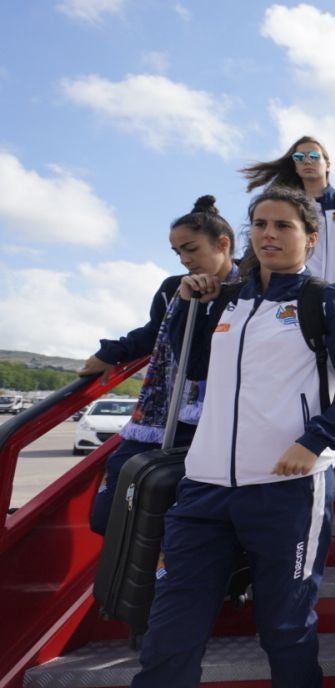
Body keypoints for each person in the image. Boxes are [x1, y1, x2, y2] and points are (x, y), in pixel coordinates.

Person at [115, 187, 335, 688]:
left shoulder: (326, 300)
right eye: (260, 224)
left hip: (288, 488)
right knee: (167, 639)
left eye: (283, 226)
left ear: (310, 239)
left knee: (284, 619)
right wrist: (189, 304)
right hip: (204, 489)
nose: (269, 234)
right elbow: (190, 372)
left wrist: (314, 439)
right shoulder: (226, 302)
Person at [79, 196, 236, 536]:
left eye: (191, 249)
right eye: (177, 252)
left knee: (185, 511)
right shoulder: (172, 288)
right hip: (162, 411)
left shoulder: (249, 290)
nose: (184, 259)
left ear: (223, 244)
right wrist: (113, 352)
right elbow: (153, 332)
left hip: (220, 419)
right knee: (109, 510)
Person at [242, 136, 335, 289]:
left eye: (314, 156)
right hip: (282, 293)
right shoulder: (282, 205)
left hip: (324, 294)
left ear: (328, 165)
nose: (307, 161)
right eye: (299, 157)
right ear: (295, 166)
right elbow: (256, 248)